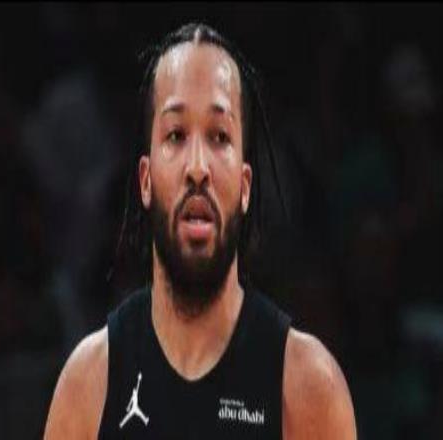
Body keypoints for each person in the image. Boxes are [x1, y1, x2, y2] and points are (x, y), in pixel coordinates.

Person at [44, 22, 356, 439]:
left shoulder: (308, 385)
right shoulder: (87, 383)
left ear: (245, 186)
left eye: (219, 136)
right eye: (175, 135)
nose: (197, 167)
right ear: (145, 180)